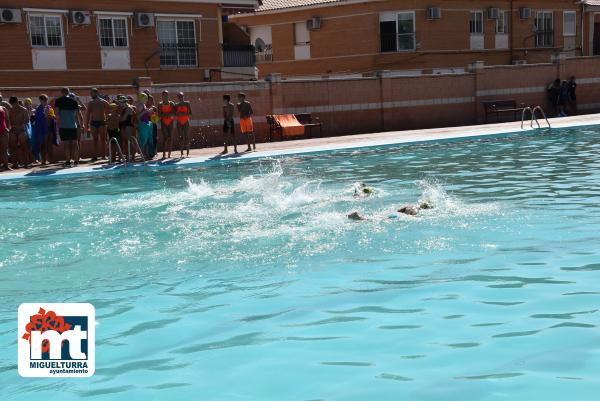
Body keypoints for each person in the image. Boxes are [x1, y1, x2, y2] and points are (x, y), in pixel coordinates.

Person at [55, 87, 83, 167]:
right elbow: (77, 115)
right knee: (75, 143)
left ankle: (68, 161)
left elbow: (57, 115)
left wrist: (58, 125)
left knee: (66, 144)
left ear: (62, 92)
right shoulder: (74, 101)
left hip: (63, 126)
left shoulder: (58, 101)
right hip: (73, 126)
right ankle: (76, 161)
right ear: (68, 92)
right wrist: (78, 125)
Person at [86, 88, 110, 162]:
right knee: (95, 140)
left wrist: (107, 120)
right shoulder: (90, 103)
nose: (90, 95)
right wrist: (87, 125)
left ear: (96, 93)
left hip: (102, 122)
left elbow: (109, 112)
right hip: (93, 123)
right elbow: (88, 114)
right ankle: (95, 156)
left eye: (92, 93)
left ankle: (104, 155)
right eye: (90, 93)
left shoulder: (104, 102)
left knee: (103, 139)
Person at [8, 96, 31, 168]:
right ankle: (15, 163)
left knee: (24, 147)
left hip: (21, 130)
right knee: (13, 148)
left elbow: (27, 120)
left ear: (17, 102)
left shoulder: (24, 110)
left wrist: (21, 124)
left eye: (14, 104)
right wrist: (11, 128)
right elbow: (8, 120)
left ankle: (26, 163)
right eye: (12, 104)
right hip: (13, 130)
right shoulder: (10, 110)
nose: (14, 105)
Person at [159, 90, 175, 159]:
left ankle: (169, 154)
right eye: (164, 95)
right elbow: (159, 115)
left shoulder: (171, 103)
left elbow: (174, 113)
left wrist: (167, 114)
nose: (165, 96)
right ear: (162, 96)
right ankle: (164, 155)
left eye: (166, 95)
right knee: (165, 138)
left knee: (170, 138)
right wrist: (166, 114)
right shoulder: (160, 104)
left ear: (168, 96)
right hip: (164, 122)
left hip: (170, 122)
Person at [118, 95, 135, 161]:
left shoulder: (128, 108)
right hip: (123, 126)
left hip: (128, 126)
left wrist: (118, 118)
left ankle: (133, 156)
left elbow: (123, 119)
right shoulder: (124, 108)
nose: (119, 104)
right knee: (125, 142)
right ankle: (127, 156)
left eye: (120, 102)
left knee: (129, 141)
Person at [175, 92, 192, 158]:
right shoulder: (176, 105)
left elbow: (190, 113)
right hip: (179, 122)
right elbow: (174, 114)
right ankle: (182, 153)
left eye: (181, 96)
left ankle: (188, 153)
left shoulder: (187, 103)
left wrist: (183, 114)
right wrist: (179, 114)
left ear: (183, 97)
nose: (180, 98)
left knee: (187, 137)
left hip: (186, 121)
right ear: (178, 98)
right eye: (179, 97)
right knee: (181, 137)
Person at [0, 99, 10, 170]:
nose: (0, 99)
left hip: (4, 131)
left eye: (1, 97)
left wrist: (8, 128)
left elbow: (7, 119)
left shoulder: (3, 108)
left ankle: (6, 166)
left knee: (5, 149)